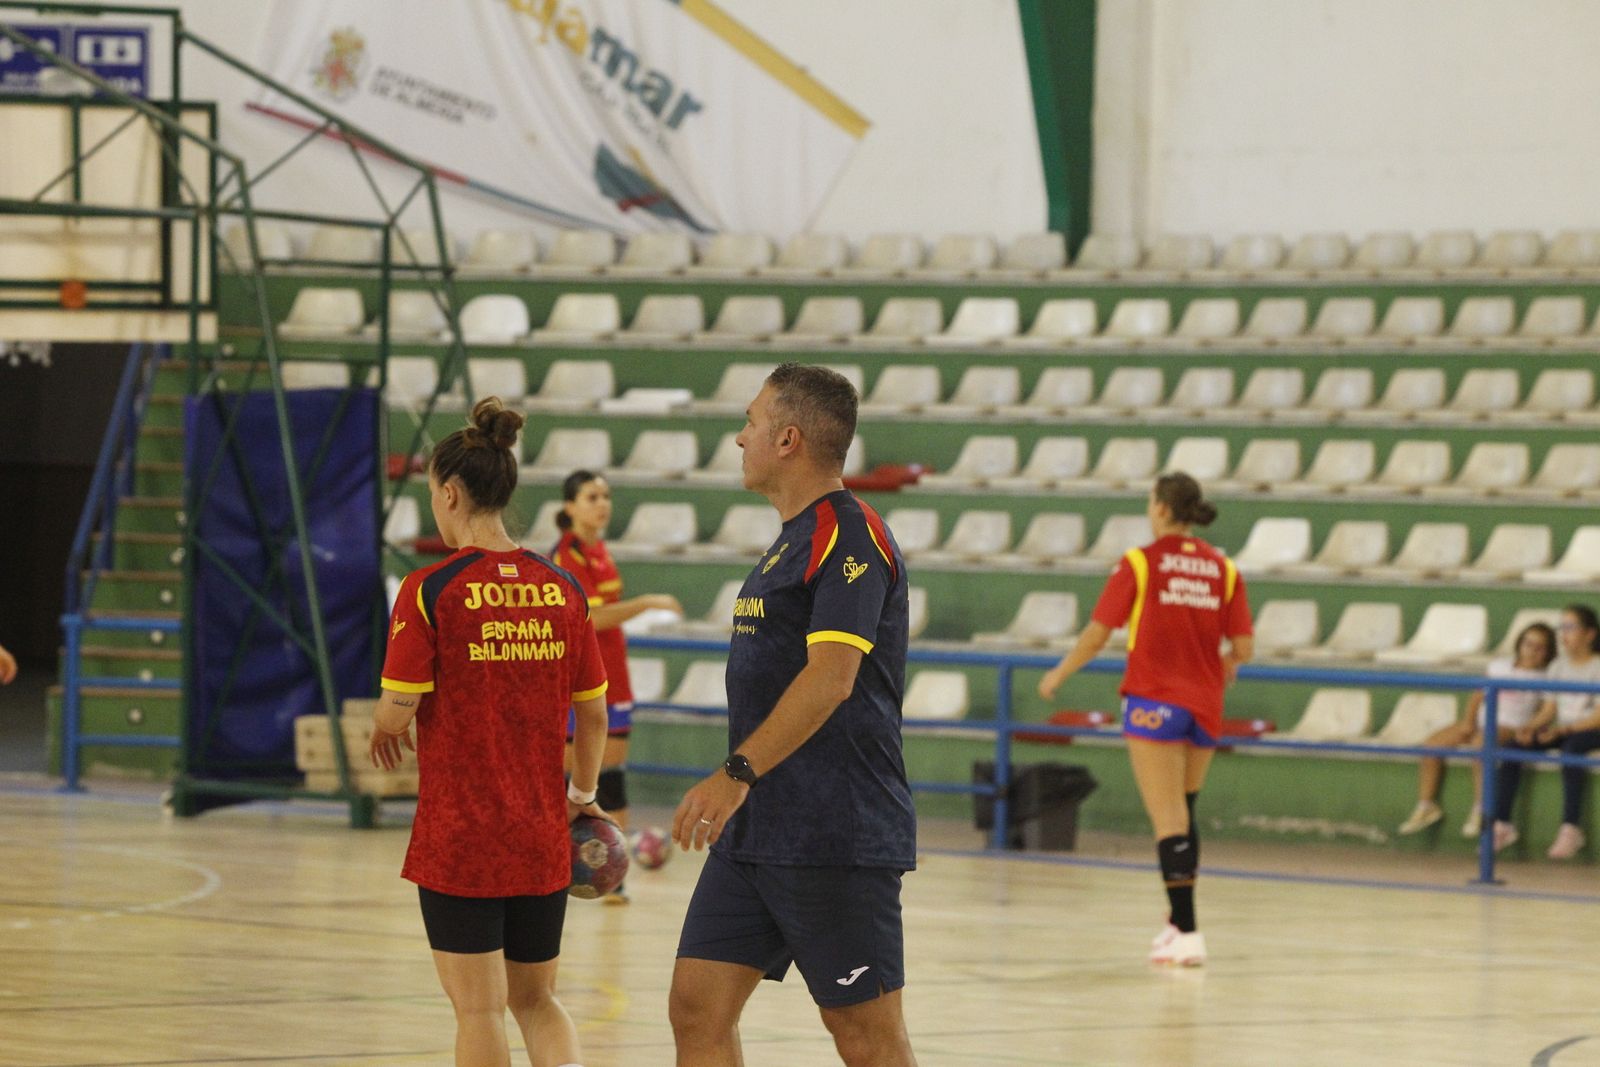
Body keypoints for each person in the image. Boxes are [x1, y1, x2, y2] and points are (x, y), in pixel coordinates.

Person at [667, 363, 918, 1067]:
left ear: (787, 438)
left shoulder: (851, 535)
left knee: (865, 1037)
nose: (737, 436)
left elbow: (832, 678)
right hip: (756, 832)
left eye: (749, 421)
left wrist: (735, 771)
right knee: (696, 1007)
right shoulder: (789, 537)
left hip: (834, 831)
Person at [370, 397, 609, 1067]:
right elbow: (594, 709)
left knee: (478, 1009)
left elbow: (398, 706)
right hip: (540, 831)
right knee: (537, 999)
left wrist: (381, 722)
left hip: (461, 834)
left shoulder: (429, 589)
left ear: (449, 493)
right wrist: (583, 791)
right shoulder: (561, 588)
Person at [1038, 472, 1252, 968]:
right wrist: (1222, 670)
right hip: (1204, 704)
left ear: (1159, 509)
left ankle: (1191, 933)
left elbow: (1097, 634)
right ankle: (1176, 925)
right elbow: (1242, 647)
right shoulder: (1224, 569)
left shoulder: (1140, 563)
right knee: (1185, 811)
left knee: (1169, 820)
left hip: (1155, 701)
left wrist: (1059, 673)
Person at [551, 469, 683, 905]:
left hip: (613, 675)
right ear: (570, 507)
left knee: (612, 773)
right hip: (579, 679)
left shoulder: (599, 550)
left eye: (606, 495)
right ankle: (555, 865)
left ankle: (611, 870)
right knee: (574, 773)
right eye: (592, 496)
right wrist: (646, 602)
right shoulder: (566, 557)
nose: (602, 503)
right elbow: (594, 618)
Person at [1398, 622, 1557, 838]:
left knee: (1480, 746)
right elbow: (1477, 696)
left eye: (1540, 647)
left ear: (1548, 652)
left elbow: (1547, 710)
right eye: (1529, 644)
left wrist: (1529, 726)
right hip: (1483, 720)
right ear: (1520, 644)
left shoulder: (1546, 677)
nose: (1532, 650)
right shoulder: (1499, 667)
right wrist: (1468, 721)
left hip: (1511, 725)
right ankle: (1427, 805)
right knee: (1432, 745)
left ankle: (1481, 809)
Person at [1492, 604, 1600, 859]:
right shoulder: (1557, 667)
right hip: (1564, 729)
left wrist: (1562, 730)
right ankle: (1502, 823)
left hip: (1590, 729)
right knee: (1513, 749)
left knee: (1571, 750)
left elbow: (1597, 718)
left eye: (1570, 628)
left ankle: (1571, 828)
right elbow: (1549, 710)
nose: (1564, 634)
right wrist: (1529, 728)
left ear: (1589, 634)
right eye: (1561, 628)